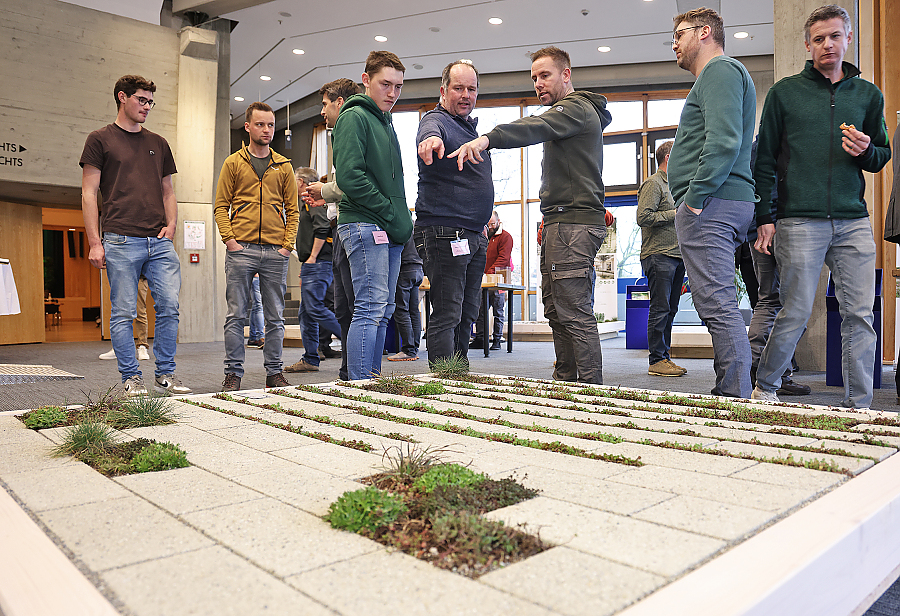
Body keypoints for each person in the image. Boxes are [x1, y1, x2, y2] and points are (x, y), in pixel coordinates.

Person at [751, 5, 891, 407]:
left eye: (834, 36)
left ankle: (859, 404)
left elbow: (881, 154)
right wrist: (766, 219)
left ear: (848, 39)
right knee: (794, 311)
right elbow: (764, 162)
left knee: (860, 315)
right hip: (799, 221)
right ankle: (767, 388)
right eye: (818, 39)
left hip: (853, 221)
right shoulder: (784, 94)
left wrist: (867, 151)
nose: (827, 45)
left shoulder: (868, 95)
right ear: (808, 45)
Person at [452, 47, 611, 384]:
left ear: (566, 75)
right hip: (562, 222)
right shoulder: (570, 114)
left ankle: (592, 391)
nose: (538, 84)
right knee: (557, 309)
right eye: (534, 78)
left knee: (573, 309)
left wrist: (487, 140)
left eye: (545, 75)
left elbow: (534, 126)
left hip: (572, 224)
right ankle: (568, 380)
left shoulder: (574, 109)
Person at [80, 74, 191, 397]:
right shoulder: (99, 139)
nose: (147, 107)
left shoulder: (158, 143)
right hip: (119, 239)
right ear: (122, 97)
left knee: (169, 307)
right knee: (124, 312)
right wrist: (94, 242)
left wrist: (171, 225)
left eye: (150, 102)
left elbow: (168, 190)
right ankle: (131, 377)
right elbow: (89, 193)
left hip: (159, 241)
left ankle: (166, 374)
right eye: (141, 100)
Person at [668, 8, 757, 398]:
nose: (674, 43)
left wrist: (694, 199)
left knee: (717, 304)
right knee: (717, 302)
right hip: (721, 200)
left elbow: (723, 141)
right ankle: (734, 389)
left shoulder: (719, 71)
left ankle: (734, 395)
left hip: (713, 202)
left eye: (680, 34)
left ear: (705, 32)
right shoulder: (720, 75)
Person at [332, 51, 413, 380]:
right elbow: (350, 177)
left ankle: (371, 379)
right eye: (385, 84)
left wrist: (396, 217)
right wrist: (389, 211)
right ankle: (360, 385)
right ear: (366, 81)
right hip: (365, 224)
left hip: (387, 227)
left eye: (398, 86)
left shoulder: (385, 122)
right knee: (369, 307)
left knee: (384, 308)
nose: (392, 93)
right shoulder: (354, 117)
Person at [214, 102, 298, 392]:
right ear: (248, 126)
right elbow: (221, 206)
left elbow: (293, 210)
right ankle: (233, 373)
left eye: (271, 125)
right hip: (242, 250)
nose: (266, 130)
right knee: (236, 315)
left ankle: (274, 372)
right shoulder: (234, 163)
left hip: (275, 252)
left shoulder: (284, 166)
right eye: (260, 124)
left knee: (275, 318)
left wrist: (287, 245)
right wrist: (230, 240)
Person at [415, 59, 493, 370]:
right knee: (448, 310)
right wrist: (431, 141)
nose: (465, 94)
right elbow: (430, 132)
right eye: (458, 88)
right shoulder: (436, 121)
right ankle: (443, 381)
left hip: (473, 233)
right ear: (443, 90)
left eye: (471, 89)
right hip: (445, 231)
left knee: (467, 310)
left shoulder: (468, 129)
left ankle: (458, 375)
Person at [303, 78, 361, 381]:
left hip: (352, 230)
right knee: (343, 306)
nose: (322, 111)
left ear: (339, 102)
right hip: (340, 228)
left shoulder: (351, 130)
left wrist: (324, 189)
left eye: (325, 103)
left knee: (352, 306)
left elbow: (352, 184)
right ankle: (348, 370)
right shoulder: (338, 135)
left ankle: (356, 371)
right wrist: (325, 194)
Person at [747, 139, 811, 396]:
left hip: (757, 228)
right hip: (782, 227)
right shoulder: (787, 143)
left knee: (767, 301)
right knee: (792, 304)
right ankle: (770, 369)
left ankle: (760, 367)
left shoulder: (753, 147)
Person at [636, 140, 687, 377]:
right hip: (658, 255)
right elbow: (643, 217)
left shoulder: (676, 185)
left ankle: (664, 357)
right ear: (668, 157)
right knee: (660, 308)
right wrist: (675, 213)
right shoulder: (654, 183)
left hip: (677, 255)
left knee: (671, 309)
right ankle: (656, 359)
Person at [285, 167, 341, 373]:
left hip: (318, 263)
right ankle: (310, 358)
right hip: (314, 264)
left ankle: (355, 343)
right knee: (306, 313)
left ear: (301, 182)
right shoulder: (308, 202)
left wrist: (311, 258)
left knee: (315, 308)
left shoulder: (312, 199)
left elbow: (322, 227)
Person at [472, 210, 513, 351]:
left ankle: (497, 339)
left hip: (499, 279)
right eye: (488, 224)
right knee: (480, 311)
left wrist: (489, 272)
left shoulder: (505, 237)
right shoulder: (484, 236)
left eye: (492, 224)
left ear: (498, 221)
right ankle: (480, 338)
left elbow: (503, 258)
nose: (490, 227)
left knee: (498, 311)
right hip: (484, 280)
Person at [98, 275, 152, 361]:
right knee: (121, 312)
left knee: (140, 311)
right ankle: (119, 348)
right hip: (122, 274)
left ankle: (142, 346)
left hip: (140, 276)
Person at [388, 236, 424, 361]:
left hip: (404, 268)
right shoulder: (415, 226)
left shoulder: (400, 226)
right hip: (418, 268)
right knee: (413, 311)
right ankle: (414, 348)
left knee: (401, 310)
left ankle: (408, 350)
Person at [247, 275, 264, 349]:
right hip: (255, 276)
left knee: (256, 306)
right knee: (258, 306)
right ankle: (261, 337)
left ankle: (253, 338)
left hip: (260, 276)